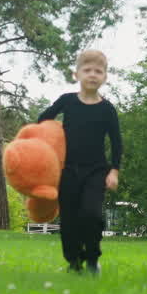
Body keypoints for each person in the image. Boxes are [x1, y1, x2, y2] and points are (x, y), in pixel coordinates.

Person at [37, 49, 123, 276]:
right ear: (77, 74)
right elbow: (42, 120)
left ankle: (93, 259)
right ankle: (74, 261)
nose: (92, 74)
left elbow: (116, 142)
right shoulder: (67, 101)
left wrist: (114, 171)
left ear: (104, 77)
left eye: (98, 71)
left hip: (96, 172)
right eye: (87, 70)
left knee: (91, 215)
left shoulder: (107, 109)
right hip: (67, 171)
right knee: (69, 221)